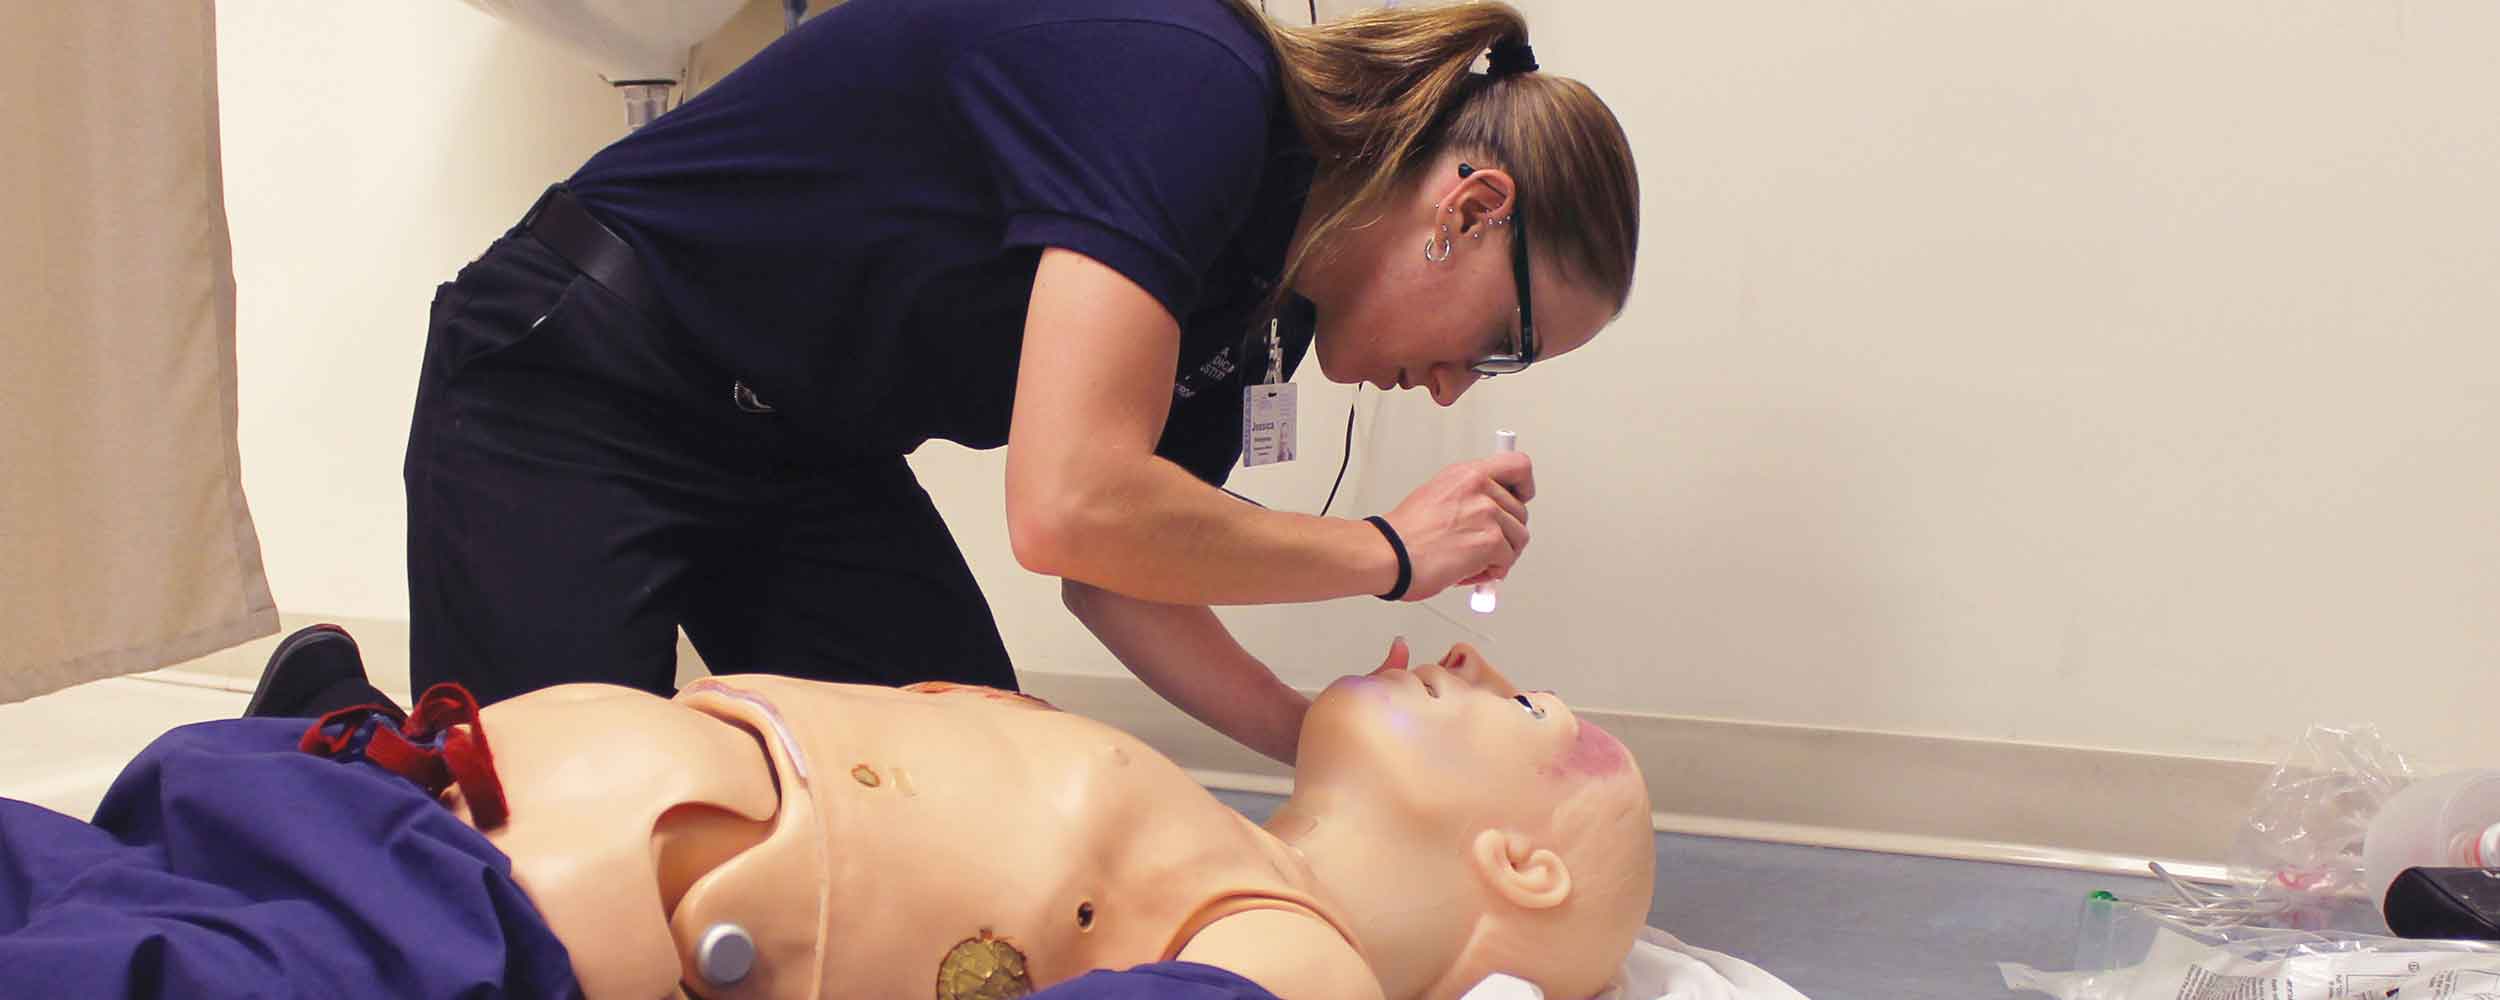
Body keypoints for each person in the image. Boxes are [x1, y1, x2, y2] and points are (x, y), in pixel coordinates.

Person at [383, 0, 1643, 764]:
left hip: (804, 454)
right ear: (1471, 208)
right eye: (1501, 343)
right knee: (547, 855)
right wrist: (1384, 550)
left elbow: (1115, 572)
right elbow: (1067, 505)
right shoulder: (1193, 83)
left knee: (989, 812)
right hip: (579, 375)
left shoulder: (1261, 304)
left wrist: (1315, 733)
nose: (1452, 390)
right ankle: (325, 716)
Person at [1, 641, 1654, 999]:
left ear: (1515, 863)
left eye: (1524, 705)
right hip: (347, 789)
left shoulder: (1298, 955)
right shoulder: (1185, 811)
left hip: (461, 936)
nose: (1464, 651)